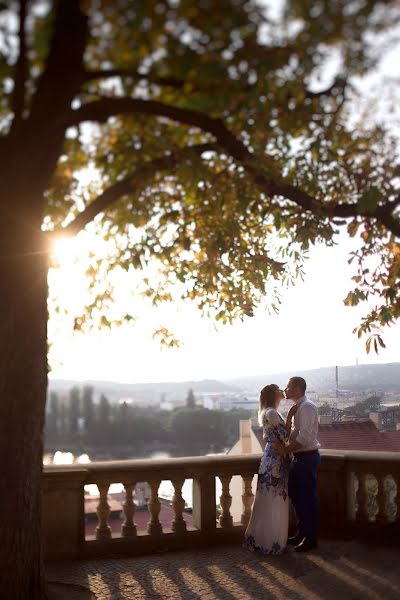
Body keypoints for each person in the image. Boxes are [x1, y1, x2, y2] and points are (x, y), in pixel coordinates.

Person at [243, 384, 293, 554]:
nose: (282, 391)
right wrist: (291, 418)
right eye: (279, 389)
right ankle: (272, 542)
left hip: (270, 457)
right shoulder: (272, 413)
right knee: (276, 500)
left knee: (267, 500)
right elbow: (286, 438)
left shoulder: (265, 412)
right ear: (274, 394)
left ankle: (263, 540)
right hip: (276, 460)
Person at [274, 376, 320, 552]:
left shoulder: (307, 407)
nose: (285, 390)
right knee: (296, 495)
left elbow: (305, 437)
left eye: (288, 387)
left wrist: (285, 450)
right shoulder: (298, 407)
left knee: (308, 498)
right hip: (300, 458)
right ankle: (303, 532)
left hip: (307, 457)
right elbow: (293, 435)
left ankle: (311, 537)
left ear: (298, 388)